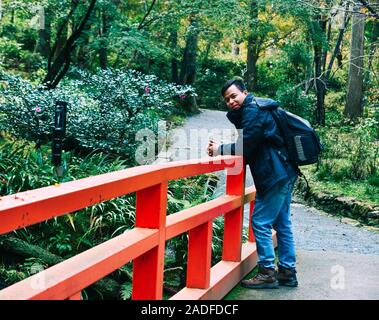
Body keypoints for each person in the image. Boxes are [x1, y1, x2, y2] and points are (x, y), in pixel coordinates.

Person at [207, 78, 299, 289]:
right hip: (284, 170)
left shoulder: (253, 111)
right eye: (227, 99)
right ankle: (287, 272)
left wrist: (219, 148)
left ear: (245, 93)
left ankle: (267, 272)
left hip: (276, 174)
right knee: (282, 223)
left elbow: (246, 147)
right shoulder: (255, 108)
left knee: (260, 221)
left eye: (234, 96)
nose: (230, 101)